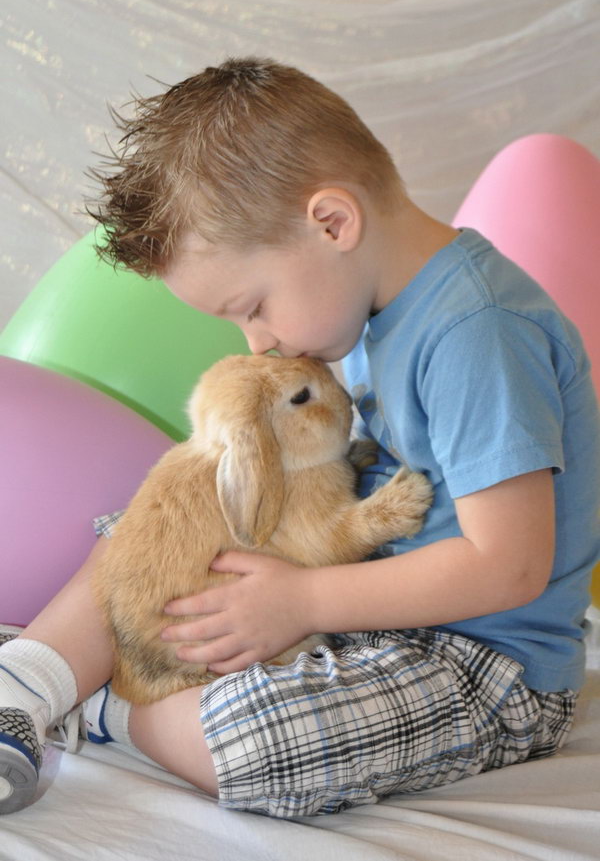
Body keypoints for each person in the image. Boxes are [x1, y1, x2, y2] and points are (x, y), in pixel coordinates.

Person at [1, 57, 599, 818]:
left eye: (253, 306)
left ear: (332, 222)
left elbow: (509, 567)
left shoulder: (478, 331)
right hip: (363, 602)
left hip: (481, 663)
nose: (256, 341)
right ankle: (28, 679)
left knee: (255, 740)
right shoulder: (372, 309)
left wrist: (303, 599)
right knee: (154, 525)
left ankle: (103, 704)